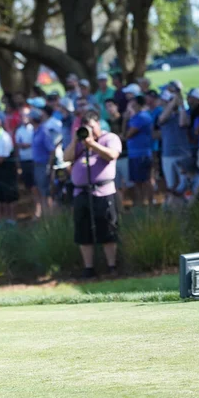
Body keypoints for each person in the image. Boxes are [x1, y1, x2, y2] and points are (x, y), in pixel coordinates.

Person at [64, 110, 121, 279]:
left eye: (92, 127)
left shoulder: (110, 138)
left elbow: (111, 155)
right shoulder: (79, 142)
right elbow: (67, 158)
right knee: (83, 231)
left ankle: (112, 267)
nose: (89, 130)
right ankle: (88, 268)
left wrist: (92, 144)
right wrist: (76, 140)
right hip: (81, 193)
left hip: (103, 192)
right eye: (85, 127)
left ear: (99, 124)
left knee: (108, 229)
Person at [157, 89, 191, 205]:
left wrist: (181, 105)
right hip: (168, 154)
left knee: (185, 183)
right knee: (171, 185)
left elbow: (183, 123)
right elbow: (162, 119)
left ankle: (187, 206)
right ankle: (173, 207)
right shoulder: (163, 114)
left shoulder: (184, 112)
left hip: (183, 154)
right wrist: (173, 102)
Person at [123, 96, 154, 206]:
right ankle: (141, 204)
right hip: (134, 154)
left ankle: (149, 203)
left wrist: (125, 119)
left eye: (133, 104)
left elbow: (128, 135)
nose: (131, 106)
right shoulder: (136, 117)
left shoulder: (142, 117)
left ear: (139, 105)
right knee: (137, 182)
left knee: (145, 181)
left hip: (142, 154)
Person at [105, 98, 130, 212]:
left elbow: (125, 136)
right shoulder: (106, 123)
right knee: (117, 185)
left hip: (126, 155)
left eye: (111, 105)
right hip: (114, 158)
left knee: (130, 183)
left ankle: (134, 206)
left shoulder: (124, 120)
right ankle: (121, 210)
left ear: (116, 106)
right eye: (107, 107)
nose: (109, 109)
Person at [30, 109, 56, 218]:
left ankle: (49, 217)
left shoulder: (43, 131)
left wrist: (49, 166)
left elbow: (51, 150)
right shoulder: (35, 130)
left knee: (46, 192)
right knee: (40, 191)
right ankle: (44, 216)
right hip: (37, 165)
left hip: (43, 165)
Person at [15, 107, 35, 208]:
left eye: (26, 115)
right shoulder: (19, 130)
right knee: (28, 185)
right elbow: (18, 146)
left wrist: (29, 145)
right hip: (24, 160)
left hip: (33, 160)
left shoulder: (33, 128)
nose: (24, 117)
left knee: (36, 186)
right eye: (22, 115)